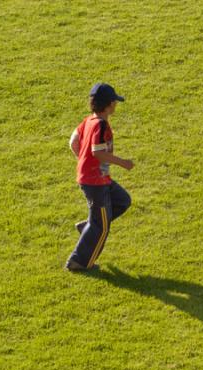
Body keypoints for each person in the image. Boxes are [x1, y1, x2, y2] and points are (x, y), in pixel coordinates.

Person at [65, 83, 134, 272]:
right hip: (95, 182)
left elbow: (73, 140)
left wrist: (82, 160)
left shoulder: (89, 121)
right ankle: (78, 262)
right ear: (109, 104)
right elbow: (98, 152)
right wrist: (123, 163)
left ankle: (88, 228)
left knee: (122, 200)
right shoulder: (101, 125)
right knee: (102, 228)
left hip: (98, 178)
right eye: (115, 102)